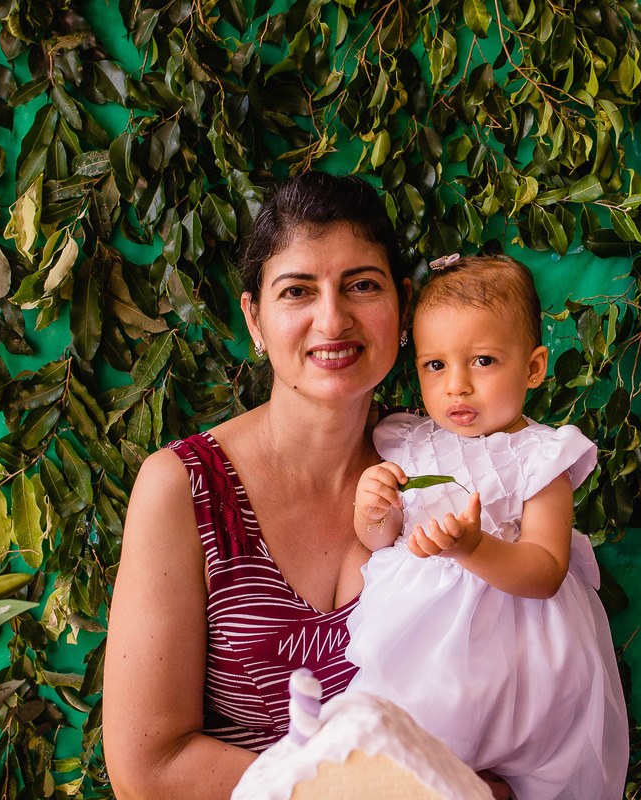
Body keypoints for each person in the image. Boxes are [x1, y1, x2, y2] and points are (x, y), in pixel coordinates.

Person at [102, 170, 421, 799]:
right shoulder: (183, 488)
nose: (333, 318)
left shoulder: (445, 473)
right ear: (254, 317)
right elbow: (148, 769)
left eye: (361, 285)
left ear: (403, 308)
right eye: (297, 291)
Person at [347, 254, 629, 800]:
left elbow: (545, 571)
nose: (457, 387)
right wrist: (373, 508)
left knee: (524, 771)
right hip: (422, 649)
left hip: (522, 659)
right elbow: (379, 541)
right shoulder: (407, 442)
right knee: (405, 763)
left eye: (482, 361)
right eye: (435, 366)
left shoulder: (542, 458)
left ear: (533, 368)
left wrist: (474, 548)